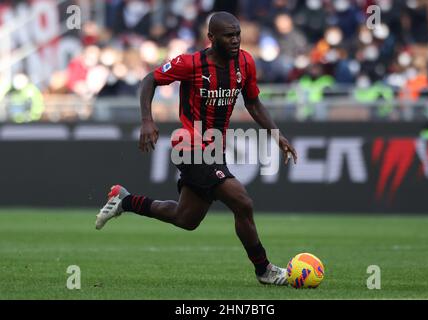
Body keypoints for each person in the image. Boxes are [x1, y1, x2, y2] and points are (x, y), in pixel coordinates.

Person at [95, 12, 298, 286]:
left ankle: (126, 201)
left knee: (186, 218)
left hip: (216, 147)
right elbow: (149, 80)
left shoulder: (245, 62)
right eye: (229, 35)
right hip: (190, 146)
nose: (236, 40)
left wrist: (276, 134)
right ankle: (264, 269)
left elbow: (253, 103)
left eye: (238, 34)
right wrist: (147, 119)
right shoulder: (190, 63)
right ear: (212, 38)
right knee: (242, 202)